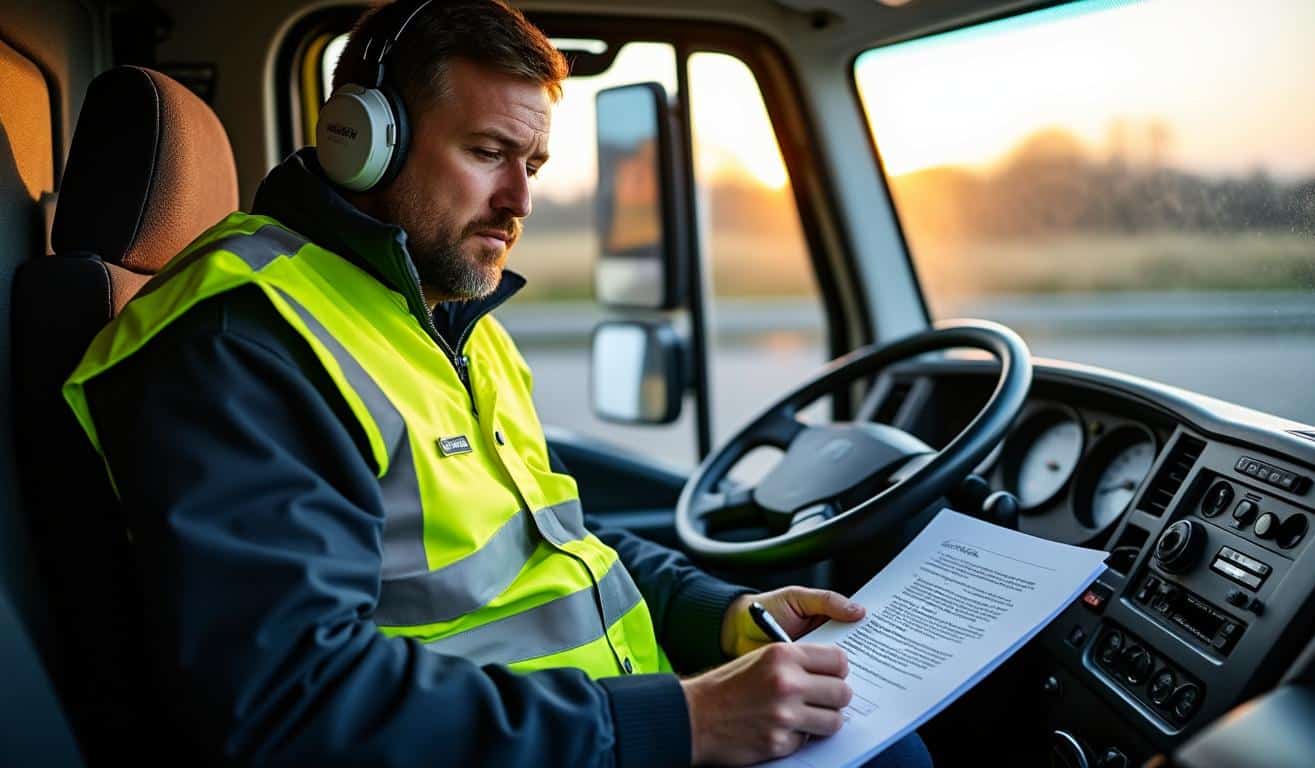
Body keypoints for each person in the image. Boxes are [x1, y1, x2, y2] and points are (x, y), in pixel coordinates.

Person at [63, 1, 934, 765]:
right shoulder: (242, 339)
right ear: (361, 142)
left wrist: (723, 614)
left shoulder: (440, 318)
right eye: (489, 153)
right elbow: (291, 696)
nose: (521, 200)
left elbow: (551, 544)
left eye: (536, 165)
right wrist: (686, 721)